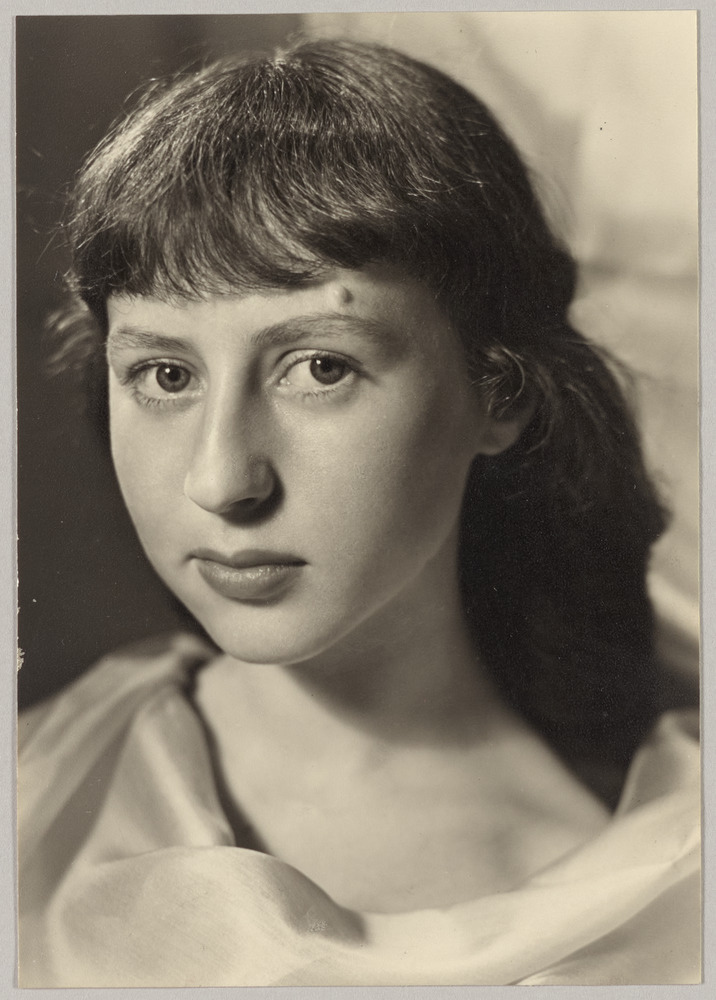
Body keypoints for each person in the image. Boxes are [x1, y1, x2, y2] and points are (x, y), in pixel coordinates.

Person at [17, 38, 700, 986]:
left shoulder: (668, 909)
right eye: (165, 375)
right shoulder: (32, 791)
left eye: (320, 367)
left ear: (499, 394)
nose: (221, 480)